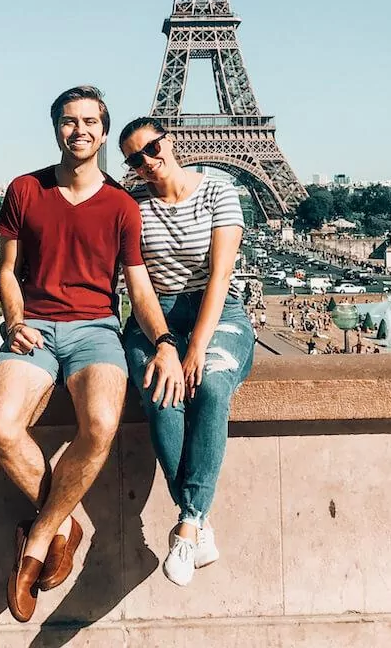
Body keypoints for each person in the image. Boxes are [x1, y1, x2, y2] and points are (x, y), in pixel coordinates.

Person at [0, 87, 184, 623]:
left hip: (96, 329)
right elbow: (7, 270)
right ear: (56, 128)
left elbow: (139, 289)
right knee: (2, 426)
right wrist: (15, 320)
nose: (80, 131)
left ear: (103, 130)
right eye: (70, 121)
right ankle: (66, 526)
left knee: (99, 424)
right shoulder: (25, 190)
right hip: (36, 329)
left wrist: (164, 341)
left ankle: (37, 539)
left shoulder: (121, 204)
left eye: (91, 122)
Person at [119, 117, 255, 586]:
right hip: (155, 319)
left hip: (216, 315)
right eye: (134, 159)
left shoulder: (219, 192)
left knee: (213, 387)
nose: (147, 162)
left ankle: (189, 520)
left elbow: (220, 277)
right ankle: (195, 522)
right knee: (161, 393)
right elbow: (137, 286)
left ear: (170, 141)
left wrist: (195, 348)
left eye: (152, 148)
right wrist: (164, 344)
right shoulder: (130, 205)